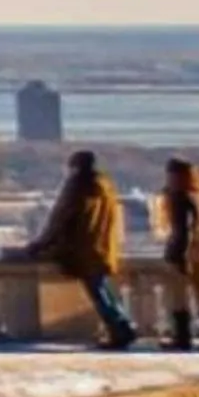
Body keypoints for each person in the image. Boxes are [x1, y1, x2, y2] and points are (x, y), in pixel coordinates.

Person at [28, 150, 140, 350]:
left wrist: (41, 244)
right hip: (102, 247)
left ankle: (119, 328)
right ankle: (122, 325)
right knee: (102, 289)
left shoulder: (78, 187)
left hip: (83, 247)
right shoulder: (105, 187)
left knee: (99, 292)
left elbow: (61, 218)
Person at [161, 158, 199, 353]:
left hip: (183, 250)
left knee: (179, 296)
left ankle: (182, 337)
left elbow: (183, 228)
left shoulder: (180, 197)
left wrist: (181, 254)